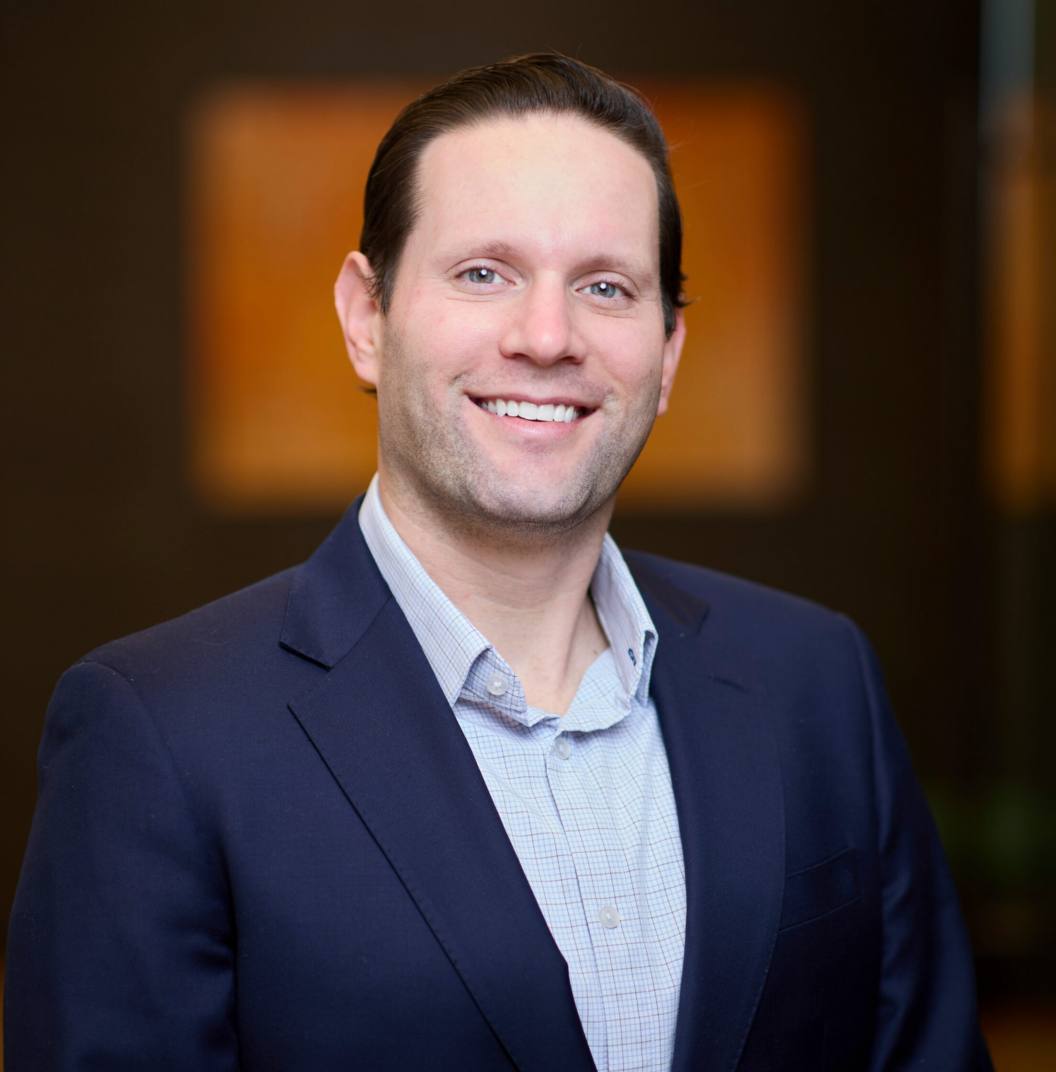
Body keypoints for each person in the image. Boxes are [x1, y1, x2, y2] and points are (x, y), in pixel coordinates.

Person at [5, 54, 992, 1072]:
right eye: (485, 273)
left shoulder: (817, 682)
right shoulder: (158, 733)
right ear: (366, 317)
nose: (548, 335)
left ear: (667, 354)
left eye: (606, 286)